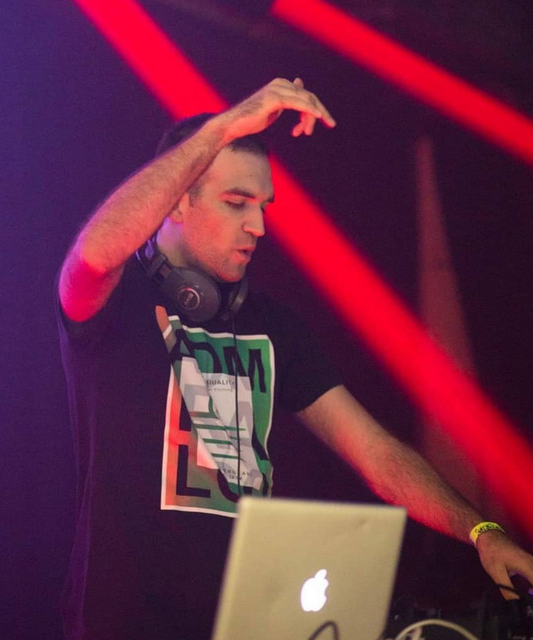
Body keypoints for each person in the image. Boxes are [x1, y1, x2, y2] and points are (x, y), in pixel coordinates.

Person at [57, 77, 533, 640]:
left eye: (263, 207)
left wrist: (482, 532)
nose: (258, 227)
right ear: (178, 200)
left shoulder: (273, 324)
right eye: (236, 203)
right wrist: (223, 128)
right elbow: (94, 254)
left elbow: (377, 454)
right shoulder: (115, 302)